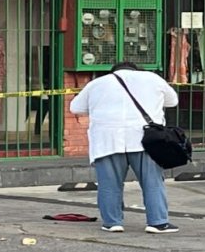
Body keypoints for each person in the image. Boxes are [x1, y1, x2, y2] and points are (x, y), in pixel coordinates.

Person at [69, 61, 180, 234]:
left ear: (113, 71)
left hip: (107, 140)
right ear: (136, 69)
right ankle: (158, 222)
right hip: (145, 140)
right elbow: (173, 101)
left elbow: (75, 107)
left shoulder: (97, 83)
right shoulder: (152, 78)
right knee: (152, 182)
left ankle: (112, 222)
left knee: (109, 184)